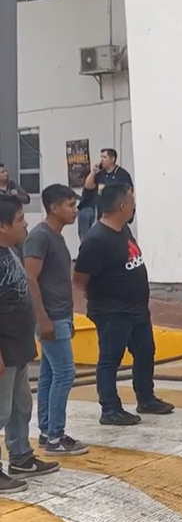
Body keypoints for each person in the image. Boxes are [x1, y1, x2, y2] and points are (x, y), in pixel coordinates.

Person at [73, 184, 175, 425]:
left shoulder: (123, 229)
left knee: (145, 352)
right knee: (110, 358)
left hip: (137, 310)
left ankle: (146, 397)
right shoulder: (96, 239)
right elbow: (79, 278)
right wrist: (98, 296)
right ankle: (110, 408)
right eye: (131, 201)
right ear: (122, 206)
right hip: (112, 312)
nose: (134, 205)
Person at [0, 195, 59, 494]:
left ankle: (20, 456)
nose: (25, 223)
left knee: (21, 406)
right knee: (0, 411)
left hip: (19, 347)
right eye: (20, 219)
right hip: (4, 351)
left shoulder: (11, 249)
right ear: (2, 226)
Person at [23, 185, 88, 456]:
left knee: (50, 375)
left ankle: (47, 430)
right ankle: (55, 438)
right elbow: (29, 279)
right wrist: (43, 320)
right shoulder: (40, 238)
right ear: (53, 207)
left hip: (61, 316)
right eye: (70, 205)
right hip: (50, 318)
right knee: (65, 373)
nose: (75, 211)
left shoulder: (57, 238)